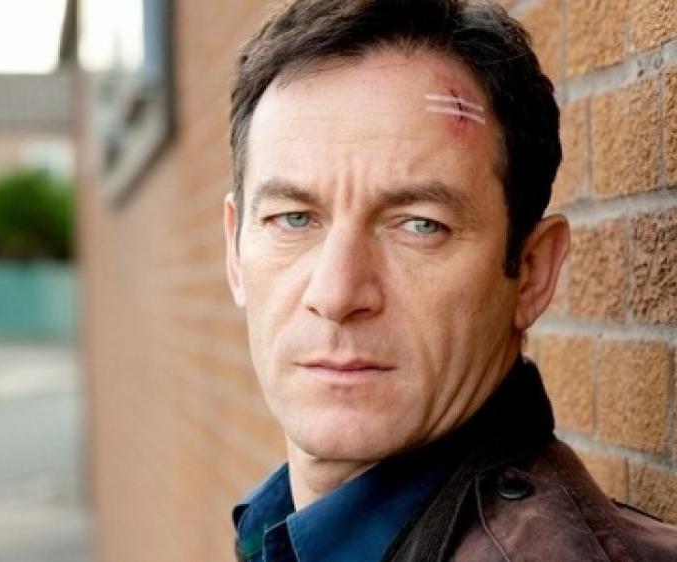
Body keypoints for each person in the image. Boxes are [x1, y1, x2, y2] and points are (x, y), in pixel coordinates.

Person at [222, 1, 677, 560]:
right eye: (293, 219)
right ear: (234, 250)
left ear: (531, 272)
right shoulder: (284, 529)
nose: (336, 295)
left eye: (420, 225)